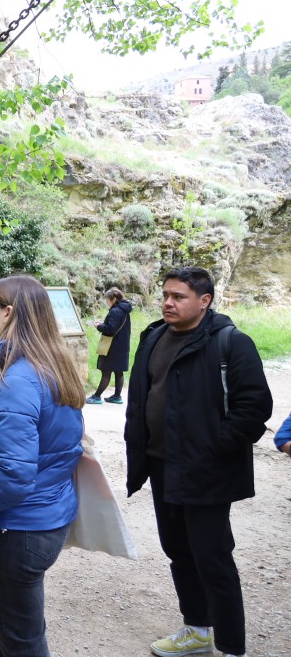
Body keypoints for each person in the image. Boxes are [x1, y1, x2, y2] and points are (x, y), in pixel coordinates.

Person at [125, 267, 272, 657]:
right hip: (160, 465)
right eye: (166, 295)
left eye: (179, 297)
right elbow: (142, 398)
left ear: (204, 301)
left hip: (205, 470)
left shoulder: (231, 342)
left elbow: (255, 408)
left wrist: (214, 447)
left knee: (212, 556)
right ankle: (196, 631)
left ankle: (231, 646)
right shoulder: (154, 336)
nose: (168, 303)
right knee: (178, 551)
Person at [0, 274, 85, 657]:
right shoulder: (49, 363)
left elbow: (12, 474)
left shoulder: (19, 378)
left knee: (21, 640)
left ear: (9, 312)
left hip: (20, 527)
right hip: (36, 517)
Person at [87, 287, 132, 404]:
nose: (106, 302)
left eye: (107, 299)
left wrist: (98, 326)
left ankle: (96, 396)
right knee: (119, 372)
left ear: (114, 299)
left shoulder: (115, 311)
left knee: (106, 372)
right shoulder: (124, 309)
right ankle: (117, 397)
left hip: (113, 346)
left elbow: (110, 330)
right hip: (122, 345)